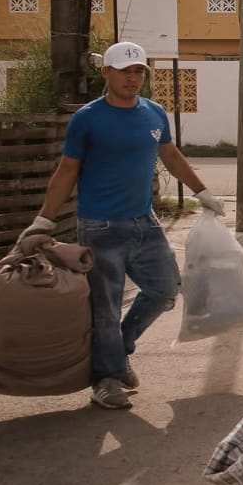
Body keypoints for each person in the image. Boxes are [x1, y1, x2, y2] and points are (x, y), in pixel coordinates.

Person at [17, 41, 223, 410]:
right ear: (106, 73)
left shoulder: (153, 113)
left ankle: (120, 349)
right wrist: (44, 218)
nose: (132, 78)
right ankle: (106, 379)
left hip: (145, 223)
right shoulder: (88, 119)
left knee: (165, 289)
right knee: (106, 307)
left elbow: (171, 156)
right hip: (100, 227)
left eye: (138, 71)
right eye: (124, 71)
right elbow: (67, 170)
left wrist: (202, 191)